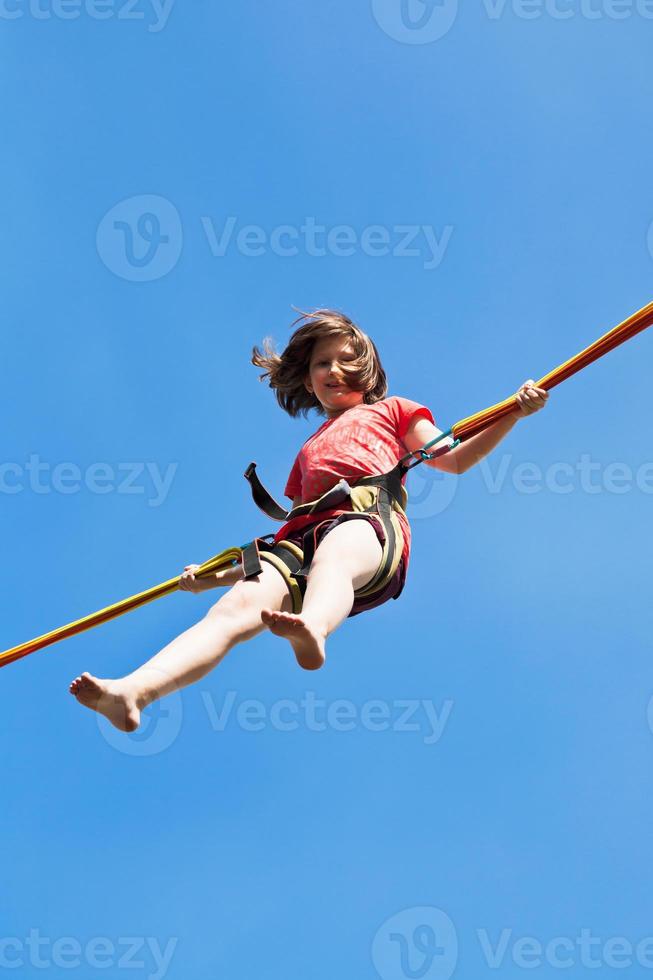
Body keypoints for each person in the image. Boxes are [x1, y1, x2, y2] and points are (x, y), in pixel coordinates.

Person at [69, 309, 548, 732]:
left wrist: (512, 414)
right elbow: (289, 535)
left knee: (336, 556)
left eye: (345, 361)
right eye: (322, 363)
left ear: (369, 371)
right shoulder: (308, 451)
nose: (333, 370)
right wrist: (216, 577)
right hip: (302, 541)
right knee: (233, 612)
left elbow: (454, 459)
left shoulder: (393, 410)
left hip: (366, 524)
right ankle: (133, 693)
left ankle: (314, 627)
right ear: (307, 376)